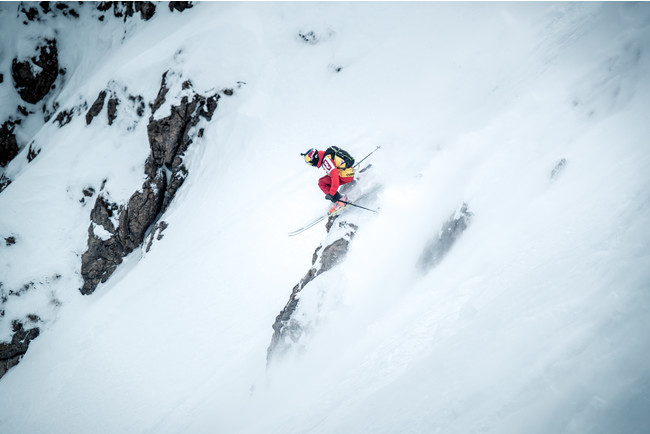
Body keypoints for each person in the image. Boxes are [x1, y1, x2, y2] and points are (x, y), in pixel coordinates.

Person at [302, 147, 355, 214]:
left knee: (322, 183)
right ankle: (338, 199)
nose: (312, 165)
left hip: (345, 176)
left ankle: (341, 202)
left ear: (315, 158)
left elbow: (334, 176)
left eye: (310, 163)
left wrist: (331, 193)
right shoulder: (327, 155)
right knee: (323, 180)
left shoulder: (326, 160)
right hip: (347, 172)